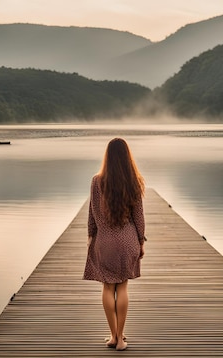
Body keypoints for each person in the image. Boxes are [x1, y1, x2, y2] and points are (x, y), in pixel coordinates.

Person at [83, 137, 146, 351]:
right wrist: (141, 241)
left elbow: (92, 214)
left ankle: (113, 336)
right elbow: (139, 217)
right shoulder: (134, 181)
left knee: (108, 287)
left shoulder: (96, 181)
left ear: (107, 156)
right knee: (124, 286)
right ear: (127, 156)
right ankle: (121, 339)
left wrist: (91, 238)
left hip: (105, 241)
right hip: (128, 240)